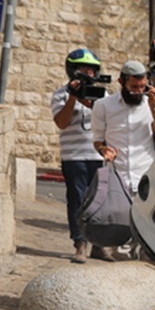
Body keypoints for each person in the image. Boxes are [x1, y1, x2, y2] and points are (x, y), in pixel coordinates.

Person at [51, 48, 107, 263]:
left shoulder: (103, 96)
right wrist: (73, 97)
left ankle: (99, 244)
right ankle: (80, 243)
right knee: (77, 199)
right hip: (74, 156)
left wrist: (92, 102)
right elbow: (61, 122)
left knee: (100, 201)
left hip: (98, 155)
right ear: (73, 70)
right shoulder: (61, 94)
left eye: (91, 70)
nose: (88, 74)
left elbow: (108, 120)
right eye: (83, 69)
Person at [91, 60, 155, 194]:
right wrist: (103, 149)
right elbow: (97, 140)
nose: (139, 91)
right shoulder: (103, 106)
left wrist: (154, 109)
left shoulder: (153, 104)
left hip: (145, 178)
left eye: (142, 87)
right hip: (116, 178)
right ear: (121, 82)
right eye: (134, 87)